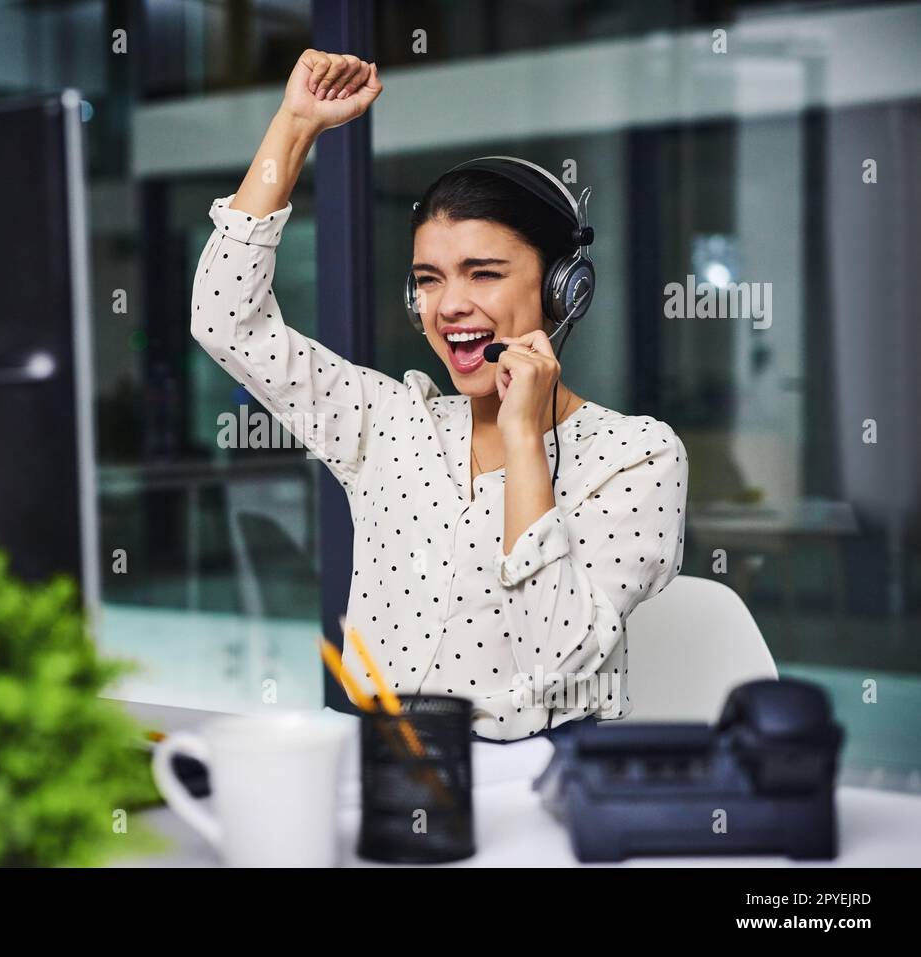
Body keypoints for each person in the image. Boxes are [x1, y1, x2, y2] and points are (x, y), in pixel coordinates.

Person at [191, 50, 688, 741]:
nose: (449, 304)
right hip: (384, 772)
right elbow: (226, 320)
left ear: (562, 290)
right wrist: (295, 126)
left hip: (535, 778)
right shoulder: (389, 420)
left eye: (482, 273)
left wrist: (522, 438)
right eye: (428, 278)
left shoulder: (636, 456)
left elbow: (558, 656)